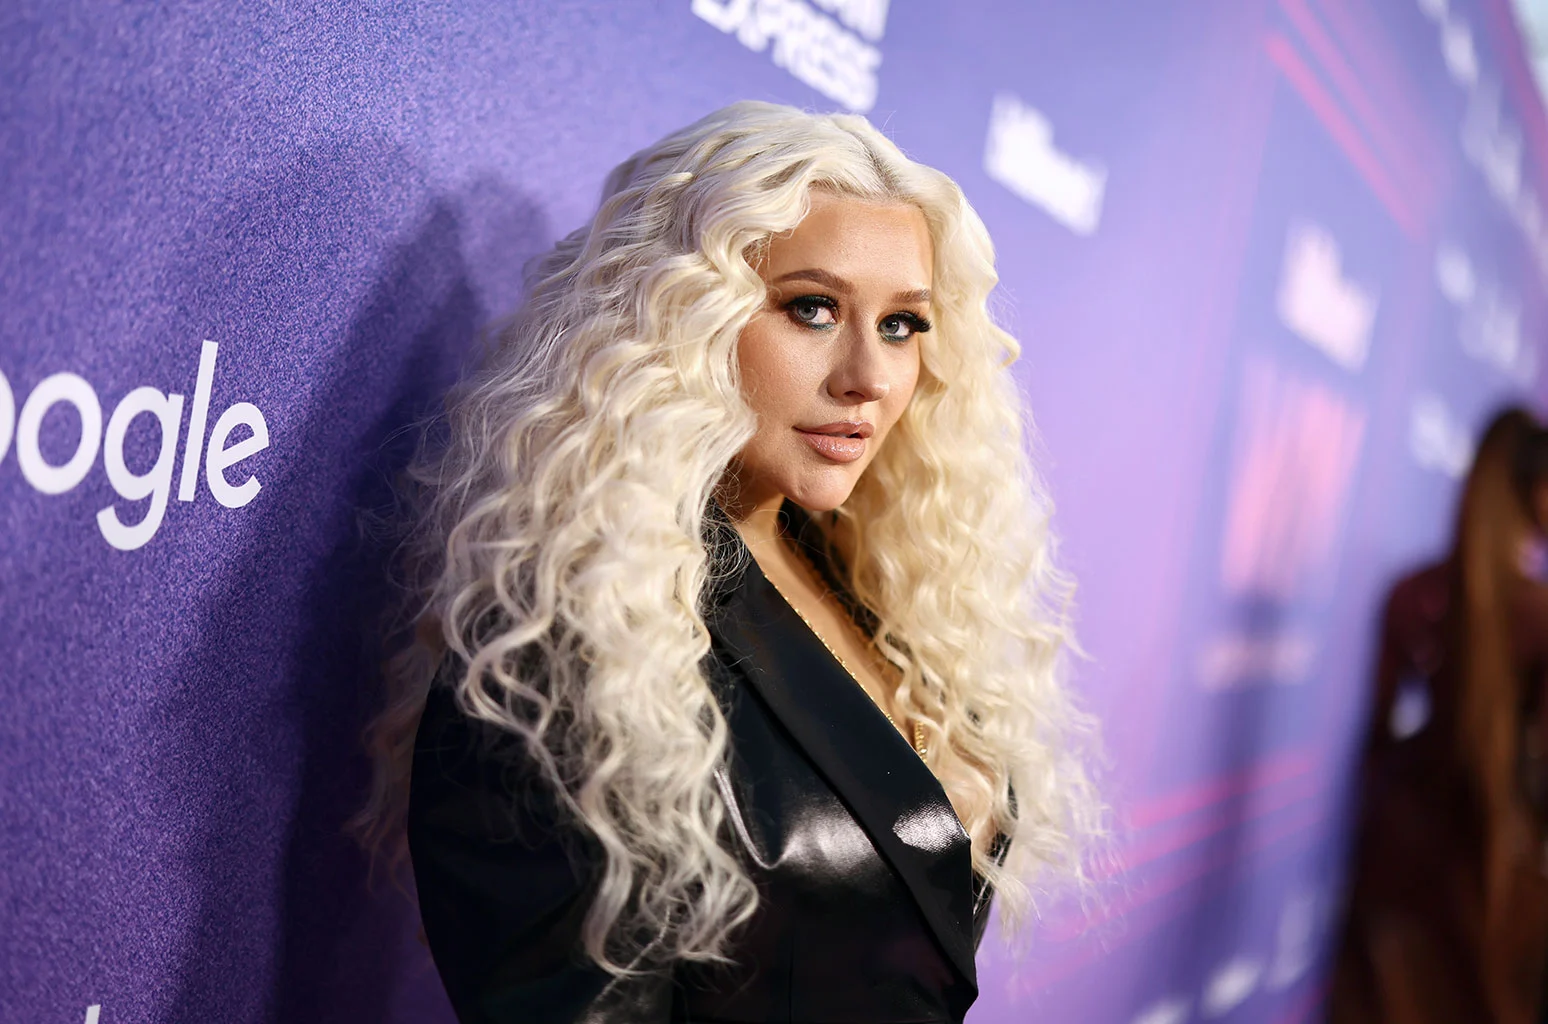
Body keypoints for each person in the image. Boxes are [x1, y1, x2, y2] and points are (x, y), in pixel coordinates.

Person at [351, 100, 1100, 1023]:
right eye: (812, 309)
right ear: (680, 320)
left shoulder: (873, 586)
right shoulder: (565, 638)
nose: (867, 376)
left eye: (903, 324)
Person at [1330, 409, 1548, 1024]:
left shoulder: (1411, 595)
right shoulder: (1537, 620)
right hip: (1486, 891)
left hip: (1394, 877)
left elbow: (1377, 740)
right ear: (1534, 493)